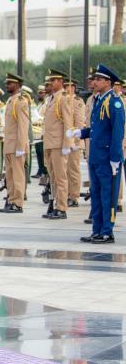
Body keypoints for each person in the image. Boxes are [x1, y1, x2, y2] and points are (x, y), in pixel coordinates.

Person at [73, 64, 124, 243]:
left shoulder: (114, 102)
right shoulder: (99, 100)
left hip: (107, 157)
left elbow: (117, 132)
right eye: (94, 79)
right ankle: (97, 230)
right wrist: (83, 133)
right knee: (95, 193)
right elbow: (98, 129)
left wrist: (115, 159)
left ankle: (107, 231)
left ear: (108, 82)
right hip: (95, 156)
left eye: (98, 79)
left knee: (107, 195)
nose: (94, 82)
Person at [42, 69, 74, 219]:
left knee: (61, 177)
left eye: (53, 80)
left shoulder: (64, 98)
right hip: (50, 143)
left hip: (59, 144)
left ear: (61, 82)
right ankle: (55, 204)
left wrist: (67, 144)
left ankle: (61, 208)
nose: (50, 83)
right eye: (50, 81)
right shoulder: (52, 98)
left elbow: (68, 122)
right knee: (53, 177)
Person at [0, 73, 30, 213]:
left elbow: (23, 126)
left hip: (17, 145)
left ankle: (18, 203)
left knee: (17, 176)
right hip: (9, 144)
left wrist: (21, 146)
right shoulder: (11, 101)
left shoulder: (21, 101)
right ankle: (11, 200)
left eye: (10, 83)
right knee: (10, 176)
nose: (7, 85)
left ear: (17, 85)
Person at [66, 79, 85, 208]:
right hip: (64, 142)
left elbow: (79, 123)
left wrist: (76, 142)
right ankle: (66, 194)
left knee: (73, 170)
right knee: (64, 171)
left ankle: (74, 196)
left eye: (66, 86)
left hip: (73, 142)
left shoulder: (77, 101)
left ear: (73, 87)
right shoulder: (64, 100)